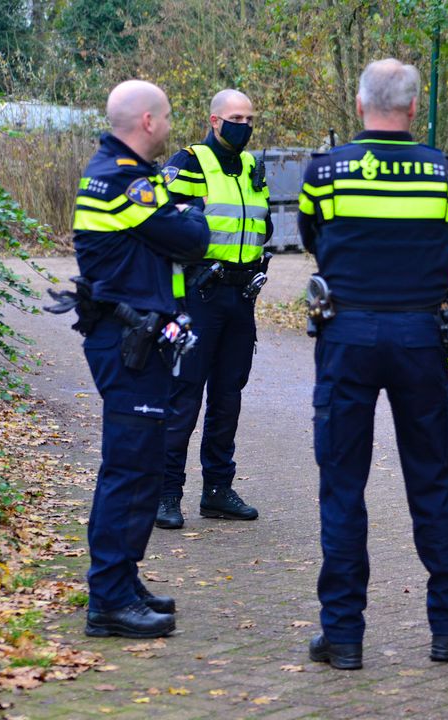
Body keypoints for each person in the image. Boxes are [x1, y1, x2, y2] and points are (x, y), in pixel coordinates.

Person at [298, 58, 448, 671]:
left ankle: (343, 635)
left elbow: (313, 240)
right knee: (433, 480)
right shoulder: (446, 173)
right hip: (419, 337)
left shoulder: (325, 171)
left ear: (359, 105)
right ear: (412, 107)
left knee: (342, 485)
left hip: (346, 334)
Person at [69, 80, 210, 637]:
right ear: (148, 121)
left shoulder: (125, 174)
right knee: (128, 467)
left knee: (141, 464)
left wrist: (176, 216)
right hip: (127, 341)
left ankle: (122, 581)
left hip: (137, 338)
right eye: (167, 116)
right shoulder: (123, 180)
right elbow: (192, 239)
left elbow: (170, 234)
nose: (171, 124)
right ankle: (108, 600)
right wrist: (188, 214)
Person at [155, 89, 272, 529]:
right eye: (236, 118)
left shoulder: (252, 167)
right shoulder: (189, 163)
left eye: (249, 118)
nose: (244, 125)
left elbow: (260, 225)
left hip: (241, 298)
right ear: (215, 120)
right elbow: (162, 225)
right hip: (198, 296)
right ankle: (166, 494)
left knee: (228, 398)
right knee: (183, 397)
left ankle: (218, 490)